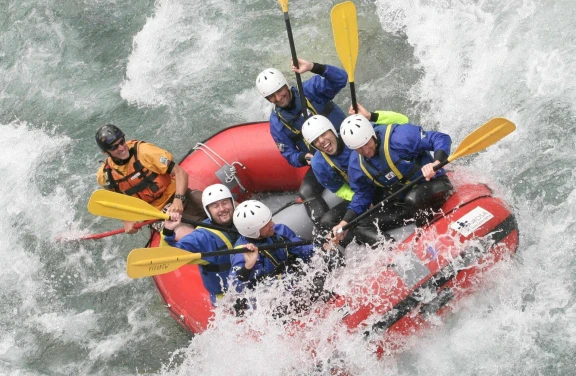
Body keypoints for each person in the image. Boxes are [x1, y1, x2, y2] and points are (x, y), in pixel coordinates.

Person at [332, 107, 454, 245]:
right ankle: (394, 251)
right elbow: (362, 195)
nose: (366, 150)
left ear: (372, 134)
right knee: (360, 225)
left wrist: (436, 163)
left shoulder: (399, 137)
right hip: (405, 203)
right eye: (359, 148)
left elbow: (440, 138)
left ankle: (429, 241)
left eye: (367, 143)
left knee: (413, 198)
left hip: (434, 185)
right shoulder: (356, 165)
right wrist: (344, 222)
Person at [256, 59, 348, 223]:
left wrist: (313, 67)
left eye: (279, 91)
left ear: (285, 84)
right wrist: (302, 157)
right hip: (322, 159)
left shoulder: (310, 90)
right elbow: (289, 153)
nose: (278, 98)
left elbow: (341, 78)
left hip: (348, 144)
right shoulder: (277, 123)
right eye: (272, 96)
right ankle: (326, 229)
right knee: (306, 191)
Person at [301, 105, 409, 237]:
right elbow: (339, 189)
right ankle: (357, 240)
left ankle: (367, 229)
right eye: (315, 140)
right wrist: (359, 200)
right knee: (327, 221)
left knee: (360, 223)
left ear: (333, 131)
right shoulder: (319, 164)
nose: (322, 141)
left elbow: (403, 121)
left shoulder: (353, 133)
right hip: (362, 193)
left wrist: (370, 116)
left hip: (385, 182)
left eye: (323, 134)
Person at [95, 124, 205, 239]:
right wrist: (126, 219)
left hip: (178, 197)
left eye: (122, 141)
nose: (121, 148)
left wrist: (178, 199)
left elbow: (180, 172)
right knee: (190, 237)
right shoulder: (105, 175)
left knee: (216, 204)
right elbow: (117, 201)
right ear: (106, 153)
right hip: (157, 216)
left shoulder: (145, 151)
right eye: (114, 147)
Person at [163, 184, 238, 304]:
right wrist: (168, 231)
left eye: (225, 203)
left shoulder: (244, 219)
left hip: (254, 279)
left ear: (232, 204)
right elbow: (167, 257)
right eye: (215, 206)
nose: (222, 208)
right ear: (208, 211)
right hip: (228, 296)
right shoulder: (202, 237)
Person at [229, 200, 316, 293]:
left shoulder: (279, 230)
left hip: (290, 279)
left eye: (269, 219)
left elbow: (301, 249)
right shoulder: (242, 254)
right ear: (254, 231)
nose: (272, 224)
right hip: (271, 295)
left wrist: (323, 247)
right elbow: (235, 288)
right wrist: (248, 267)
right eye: (266, 224)